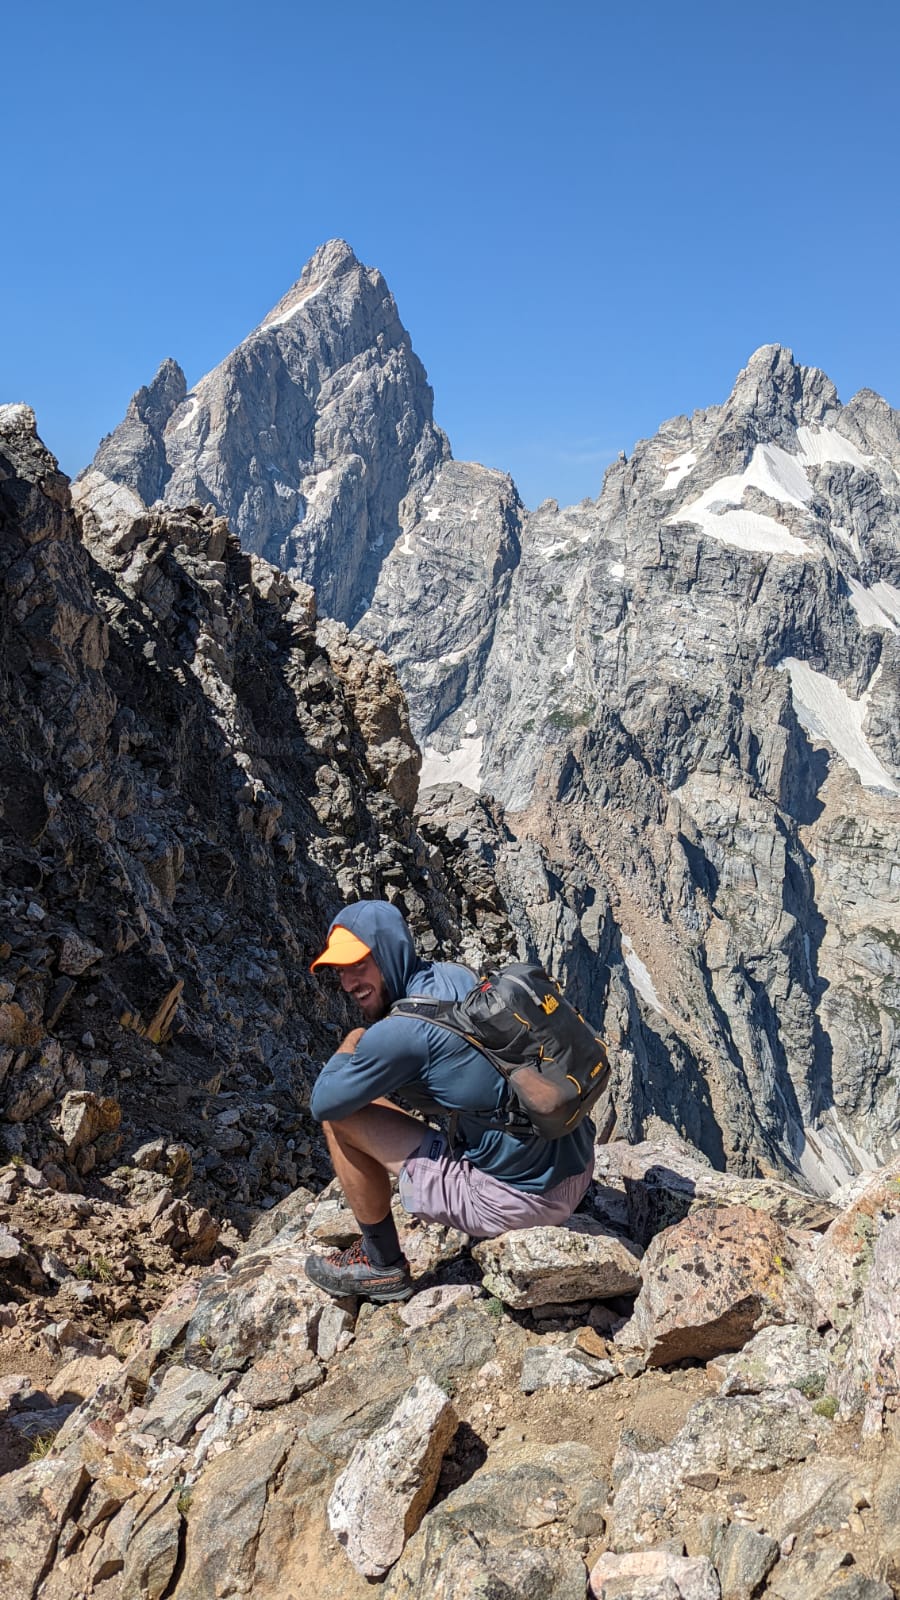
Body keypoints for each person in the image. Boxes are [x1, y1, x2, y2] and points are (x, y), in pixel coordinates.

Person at [304, 899, 596, 1302]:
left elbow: (324, 1102)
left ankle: (380, 1263)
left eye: (359, 965)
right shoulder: (454, 976)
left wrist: (352, 1042)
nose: (348, 983)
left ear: (389, 951)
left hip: (525, 1202)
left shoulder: (402, 1033)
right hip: (577, 1168)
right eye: (340, 971)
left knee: (341, 1120)